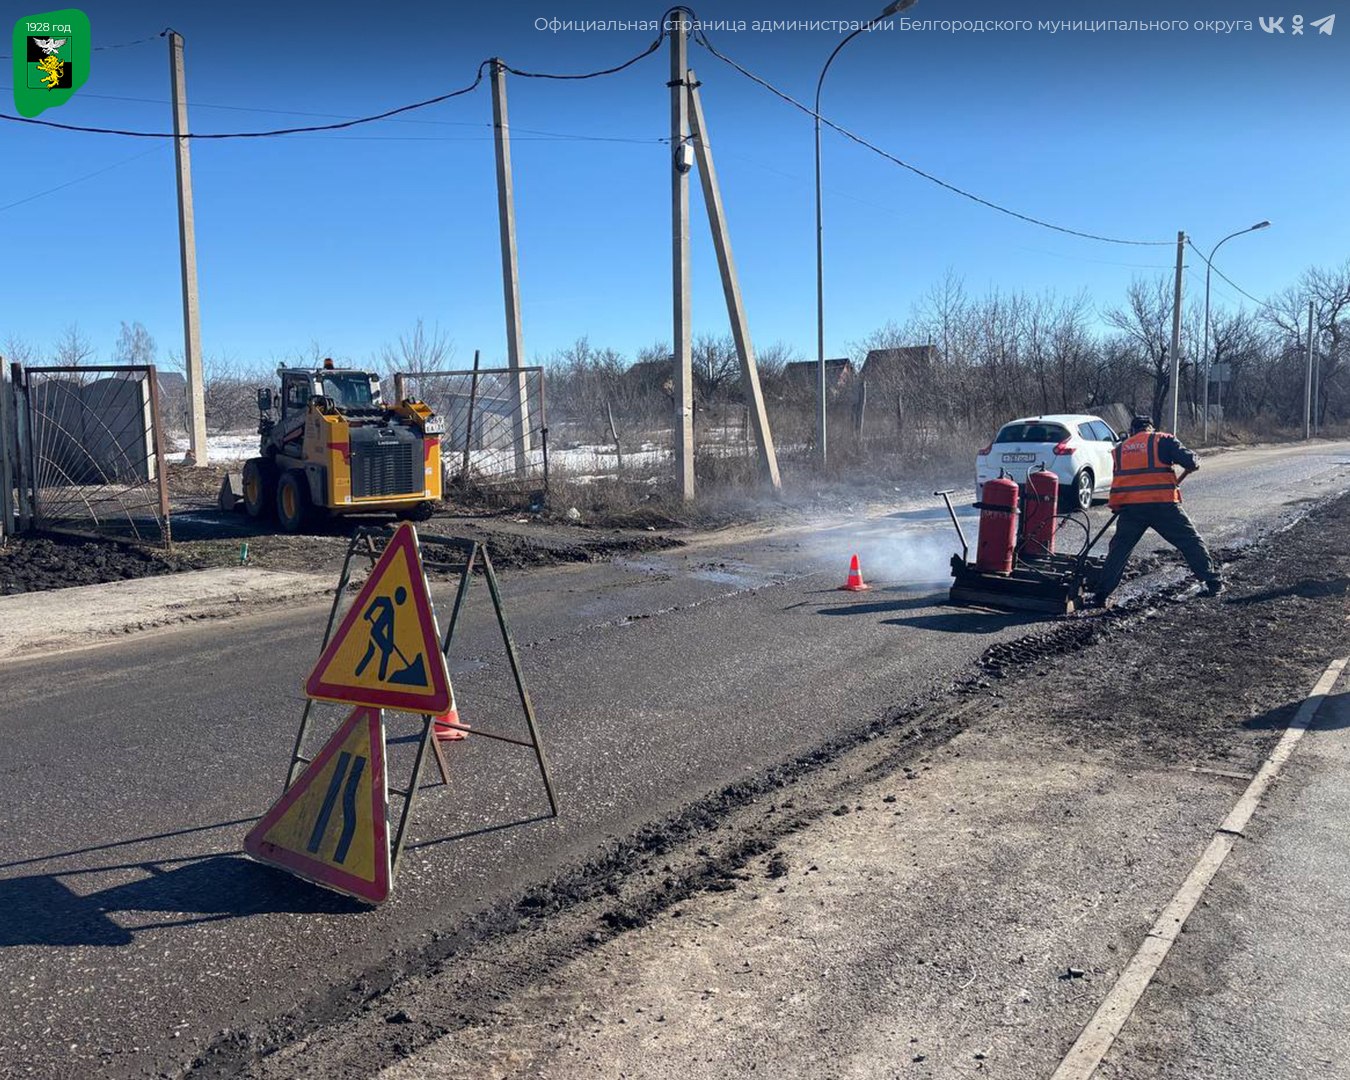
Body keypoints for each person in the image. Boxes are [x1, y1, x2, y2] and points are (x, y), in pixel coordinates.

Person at [1092, 416, 1224, 604]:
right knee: (1190, 541)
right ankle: (1212, 582)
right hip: (1162, 505)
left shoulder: (1120, 449)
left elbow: (1120, 479)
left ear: (1132, 431)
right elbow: (1190, 462)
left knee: (1119, 551)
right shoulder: (1162, 440)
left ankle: (1101, 595)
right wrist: (1195, 460)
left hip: (1131, 509)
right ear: (1151, 428)